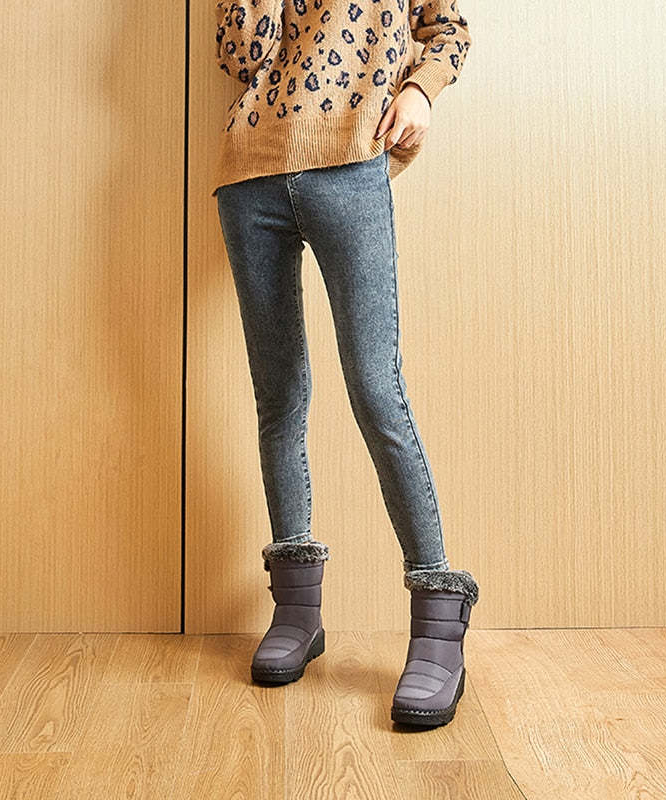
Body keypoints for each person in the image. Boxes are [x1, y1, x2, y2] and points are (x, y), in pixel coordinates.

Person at [213, 0, 480, 728]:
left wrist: (421, 91)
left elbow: (447, 28)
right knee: (278, 398)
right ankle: (296, 613)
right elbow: (241, 56)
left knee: (375, 387)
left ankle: (438, 625)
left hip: (351, 160)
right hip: (250, 171)